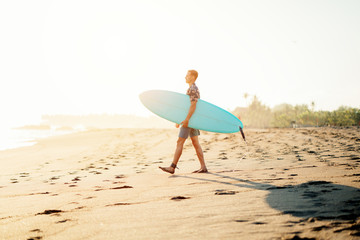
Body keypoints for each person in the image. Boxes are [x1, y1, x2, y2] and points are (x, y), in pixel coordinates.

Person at [159, 70, 207, 174]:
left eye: (187, 75)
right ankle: (203, 167)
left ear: (193, 77)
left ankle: (172, 167)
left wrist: (186, 120)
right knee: (195, 143)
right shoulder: (192, 88)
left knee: (180, 142)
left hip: (189, 120)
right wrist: (179, 120)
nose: (185, 77)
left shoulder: (193, 89)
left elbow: (193, 105)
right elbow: (186, 107)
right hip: (193, 119)